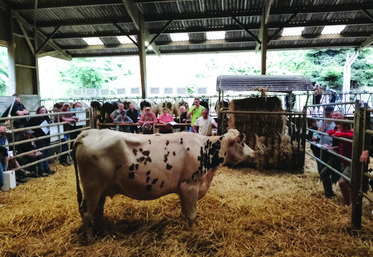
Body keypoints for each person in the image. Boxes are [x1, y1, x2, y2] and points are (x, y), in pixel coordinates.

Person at [328, 122, 354, 205]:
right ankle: (349, 204)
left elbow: (346, 135)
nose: (337, 130)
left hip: (350, 162)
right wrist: (334, 147)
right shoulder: (343, 135)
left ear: (346, 127)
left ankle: (350, 204)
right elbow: (330, 132)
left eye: (339, 128)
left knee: (342, 182)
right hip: (343, 161)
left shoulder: (351, 134)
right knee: (348, 184)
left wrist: (336, 133)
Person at [28, 106, 53, 175]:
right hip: (39, 137)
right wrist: (33, 132)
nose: (43, 112)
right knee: (41, 154)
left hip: (47, 137)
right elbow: (29, 125)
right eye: (41, 110)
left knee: (46, 153)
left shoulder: (47, 117)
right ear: (38, 111)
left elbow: (51, 124)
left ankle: (47, 169)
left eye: (44, 110)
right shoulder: (35, 118)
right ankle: (41, 170)